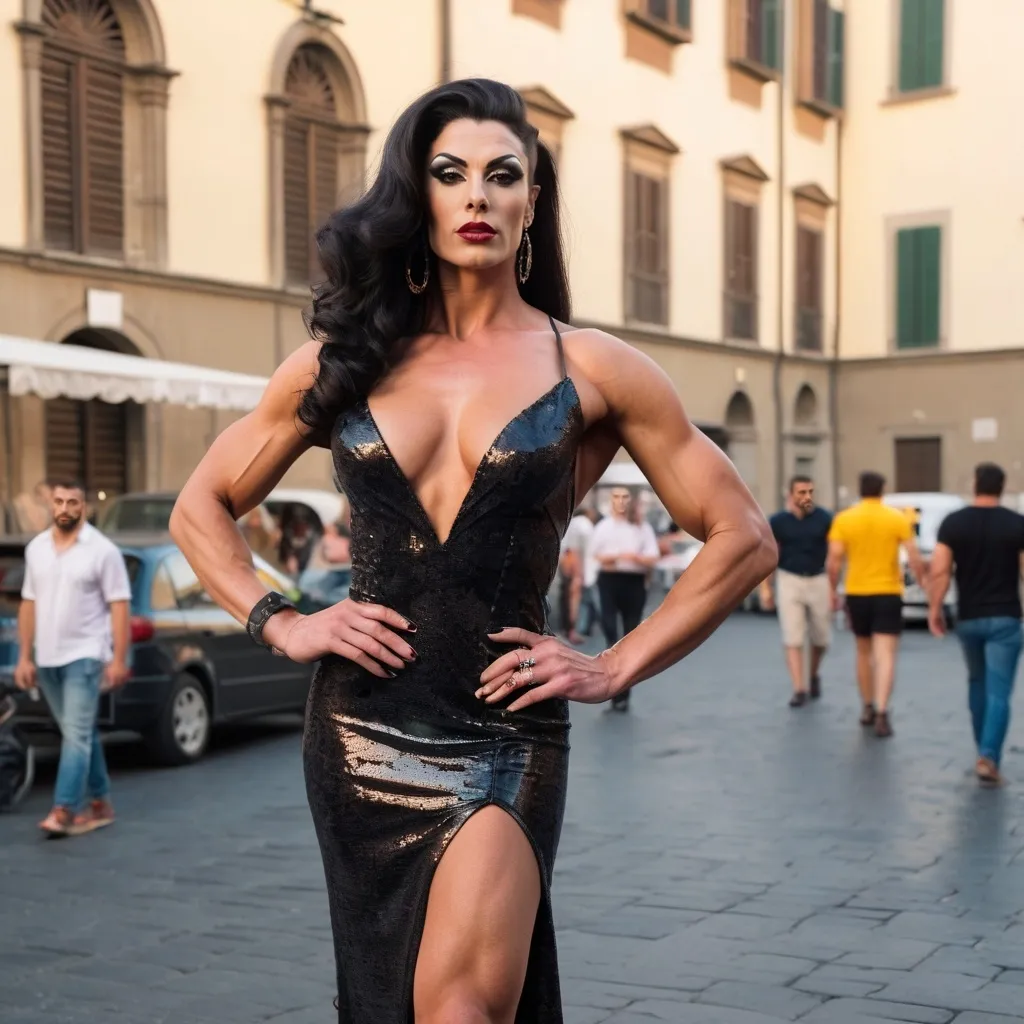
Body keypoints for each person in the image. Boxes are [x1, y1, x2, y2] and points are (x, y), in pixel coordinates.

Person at [169, 79, 775, 1023]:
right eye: (451, 174)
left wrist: (616, 665)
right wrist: (282, 622)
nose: (479, 195)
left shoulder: (595, 366)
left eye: (505, 175)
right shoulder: (344, 360)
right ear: (421, 196)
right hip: (358, 730)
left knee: (463, 1011)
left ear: (534, 201)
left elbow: (742, 537)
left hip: (504, 729)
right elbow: (200, 506)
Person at [13, 482, 132, 837]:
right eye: (59, 501)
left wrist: (119, 659)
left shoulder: (102, 550)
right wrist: (24, 656)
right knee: (78, 732)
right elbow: (28, 603)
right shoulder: (36, 549)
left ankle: (64, 808)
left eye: (73, 502)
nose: (65, 507)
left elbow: (120, 606)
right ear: (51, 504)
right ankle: (101, 802)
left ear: (84, 506)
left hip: (86, 654)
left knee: (75, 735)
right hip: (47, 657)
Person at [928, 463, 1024, 786]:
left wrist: (935, 608)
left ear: (975, 485)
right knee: (999, 690)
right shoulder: (1017, 524)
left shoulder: (954, 523)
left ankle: (982, 750)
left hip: (968, 616)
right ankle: (988, 755)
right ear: (1002, 487)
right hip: (1006, 618)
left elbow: (940, 570)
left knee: (977, 683)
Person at [827, 471, 926, 738]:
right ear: (883, 490)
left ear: (860, 490)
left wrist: (831, 590)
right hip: (888, 592)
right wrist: (922, 582)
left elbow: (834, 561)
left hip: (857, 591)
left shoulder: (844, 519)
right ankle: (883, 710)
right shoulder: (896, 518)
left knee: (862, 652)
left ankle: (867, 706)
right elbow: (914, 556)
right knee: (886, 655)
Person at [759, 475, 835, 708]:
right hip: (789, 579)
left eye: (810, 491)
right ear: (790, 495)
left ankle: (812, 674)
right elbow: (767, 554)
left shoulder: (824, 518)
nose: (807, 496)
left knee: (821, 639)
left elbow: (835, 554)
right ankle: (799, 688)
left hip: (818, 578)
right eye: (801, 492)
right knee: (793, 636)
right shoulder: (778, 521)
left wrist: (834, 586)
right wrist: (765, 587)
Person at [589, 488, 661, 712]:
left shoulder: (642, 528)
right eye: (616, 498)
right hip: (609, 582)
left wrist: (632, 558)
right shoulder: (603, 527)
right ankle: (612, 687)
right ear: (610, 501)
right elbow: (597, 555)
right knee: (611, 632)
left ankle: (623, 692)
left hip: (634, 583)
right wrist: (620, 557)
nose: (621, 502)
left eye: (625, 498)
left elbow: (652, 558)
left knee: (630, 635)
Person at [562, 505, 597, 644]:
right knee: (575, 602)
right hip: (579, 571)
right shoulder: (583, 524)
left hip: (573, 569)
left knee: (570, 601)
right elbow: (574, 551)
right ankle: (573, 631)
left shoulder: (572, 523)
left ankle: (572, 631)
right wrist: (578, 575)